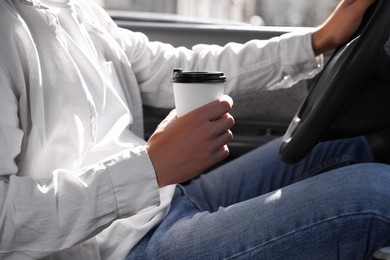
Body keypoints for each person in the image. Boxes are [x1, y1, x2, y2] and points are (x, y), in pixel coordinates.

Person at [1, 0, 389, 259]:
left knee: (345, 146)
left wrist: (319, 40)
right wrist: (149, 168)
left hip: (164, 199)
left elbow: (176, 68)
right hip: (120, 247)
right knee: (373, 194)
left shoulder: (76, 8)